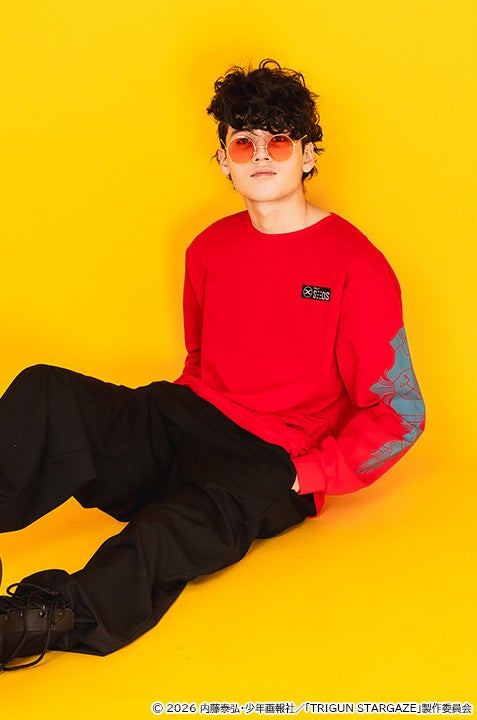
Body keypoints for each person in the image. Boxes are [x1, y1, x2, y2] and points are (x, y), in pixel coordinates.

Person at [0, 59, 425, 671]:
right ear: (224, 160)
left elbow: (401, 413)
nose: (261, 155)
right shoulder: (208, 248)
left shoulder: (357, 265)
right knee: (45, 390)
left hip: (274, 458)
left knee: (162, 535)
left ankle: (39, 619)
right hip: (188, 417)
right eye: (243, 142)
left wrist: (307, 476)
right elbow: (200, 360)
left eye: (280, 140)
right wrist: (162, 433)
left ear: (308, 155)